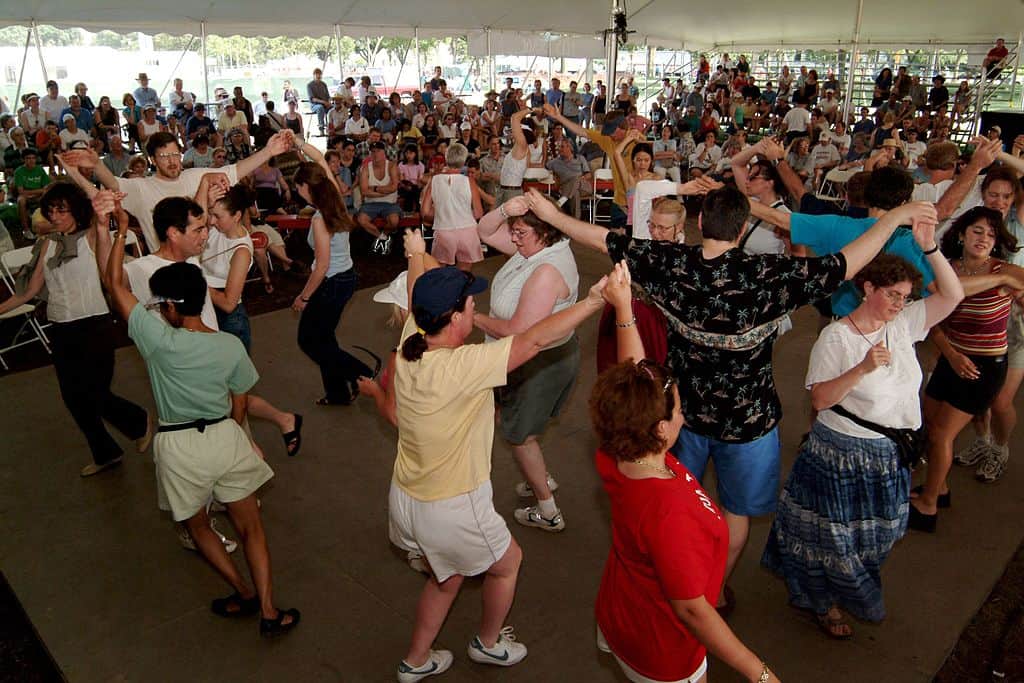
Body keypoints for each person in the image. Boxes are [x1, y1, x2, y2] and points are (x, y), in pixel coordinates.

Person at [522, 183, 940, 615]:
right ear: (743, 229)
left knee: (678, 502)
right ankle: (715, 593)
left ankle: (676, 578)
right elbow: (850, 262)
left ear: (699, 222)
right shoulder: (770, 274)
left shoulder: (670, 262)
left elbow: (602, 239)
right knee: (736, 512)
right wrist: (893, 217)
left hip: (682, 415)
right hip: (749, 422)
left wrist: (550, 215)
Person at [390, 230, 611, 681]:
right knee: (507, 563)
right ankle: (487, 644)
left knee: (447, 576)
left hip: (407, 499)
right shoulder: (463, 366)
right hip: (452, 503)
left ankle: (415, 660)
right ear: (454, 318)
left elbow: (417, 291)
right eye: (470, 305)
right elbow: (531, 340)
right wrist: (592, 302)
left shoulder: (411, 344)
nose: (476, 307)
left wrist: (416, 253)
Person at [97, 190, 299, 638]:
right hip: (225, 437)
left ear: (168, 306)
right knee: (252, 530)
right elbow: (241, 398)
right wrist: (239, 432)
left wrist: (119, 235)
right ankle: (268, 609)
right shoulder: (228, 345)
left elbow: (114, 287)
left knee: (199, 526)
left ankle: (240, 591)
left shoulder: (157, 340)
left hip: (178, 444)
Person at [764, 233, 963, 636]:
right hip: (841, 452)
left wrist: (930, 247)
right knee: (835, 540)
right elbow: (819, 399)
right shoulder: (836, 337)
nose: (899, 304)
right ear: (867, 288)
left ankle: (834, 592)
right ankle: (825, 603)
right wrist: (861, 369)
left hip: (889, 454)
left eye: (905, 297)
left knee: (884, 531)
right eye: (892, 294)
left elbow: (952, 295)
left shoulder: (904, 324)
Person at [593, 268, 781, 682]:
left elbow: (633, 378)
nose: (683, 415)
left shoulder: (615, 452)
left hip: (620, 611)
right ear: (661, 429)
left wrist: (625, 308)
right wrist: (758, 671)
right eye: (677, 410)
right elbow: (692, 609)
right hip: (661, 649)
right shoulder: (668, 512)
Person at [0, 183, 150, 477]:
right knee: (73, 397)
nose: (55, 216)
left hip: (94, 326)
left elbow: (99, 211)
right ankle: (105, 452)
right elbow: (29, 291)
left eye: (62, 209)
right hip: (60, 328)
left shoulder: (93, 236)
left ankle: (138, 420)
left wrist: (84, 182)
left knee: (95, 392)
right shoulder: (48, 243)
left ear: (77, 210)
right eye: (51, 209)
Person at [470, 196, 581, 531]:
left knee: (519, 435)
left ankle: (548, 510)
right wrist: (507, 210)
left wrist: (471, 317)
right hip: (522, 358)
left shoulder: (547, 270)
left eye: (519, 232)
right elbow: (484, 231)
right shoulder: (532, 248)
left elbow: (519, 332)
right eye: (513, 231)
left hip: (538, 363)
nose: (513, 237)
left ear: (542, 232)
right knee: (519, 423)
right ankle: (538, 475)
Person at [912, 207, 1024, 531]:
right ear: (961, 234)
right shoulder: (946, 269)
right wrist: (952, 355)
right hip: (951, 359)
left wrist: (1005, 279)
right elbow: (932, 315)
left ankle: (929, 505)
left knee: (942, 434)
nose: (984, 239)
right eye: (977, 231)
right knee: (930, 425)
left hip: (985, 367)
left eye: (991, 234)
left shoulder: (1007, 270)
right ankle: (940, 487)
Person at [58, 129, 293, 252]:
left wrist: (268, 152)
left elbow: (237, 170)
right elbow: (113, 185)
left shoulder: (196, 175)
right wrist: (94, 166)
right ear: (152, 159)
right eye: (163, 156)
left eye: (174, 155)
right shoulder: (142, 187)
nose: (171, 162)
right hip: (164, 270)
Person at [291, 138, 372, 406]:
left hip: (332, 283)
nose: (297, 191)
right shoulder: (334, 196)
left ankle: (363, 374)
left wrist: (303, 297)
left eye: (298, 186)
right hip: (345, 279)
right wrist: (297, 142)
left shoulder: (319, 219)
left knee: (309, 341)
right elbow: (320, 160)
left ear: (306, 187)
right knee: (323, 338)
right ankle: (338, 393)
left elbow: (322, 265)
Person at [421, 143, 483, 271]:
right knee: (464, 275)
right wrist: (461, 214)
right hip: (467, 230)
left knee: (440, 273)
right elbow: (478, 213)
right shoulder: (469, 181)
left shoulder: (434, 180)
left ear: (446, 158)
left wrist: (443, 214)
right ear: (464, 160)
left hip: (443, 230)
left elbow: (425, 212)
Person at [356, 140, 403, 254]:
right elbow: (364, 191)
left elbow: (394, 188)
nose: (375, 154)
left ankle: (384, 235)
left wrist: (375, 188)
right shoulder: (366, 168)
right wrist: (385, 191)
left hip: (390, 204)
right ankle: (382, 237)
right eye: (373, 151)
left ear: (384, 152)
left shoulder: (391, 166)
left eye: (378, 151)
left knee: (394, 221)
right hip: (370, 203)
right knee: (362, 220)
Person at [307, 68, 331, 136]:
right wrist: (323, 102)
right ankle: (321, 128)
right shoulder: (310, 85)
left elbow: (328, 96)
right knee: (320, 108)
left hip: (325, 104)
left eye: (320, 75)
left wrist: (329, 102)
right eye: (317, 75)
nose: (318, 77)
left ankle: (333, 127)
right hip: (315, 105)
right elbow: (313, 99)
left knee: (335, 108)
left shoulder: (323, 84)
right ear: (314, 75)